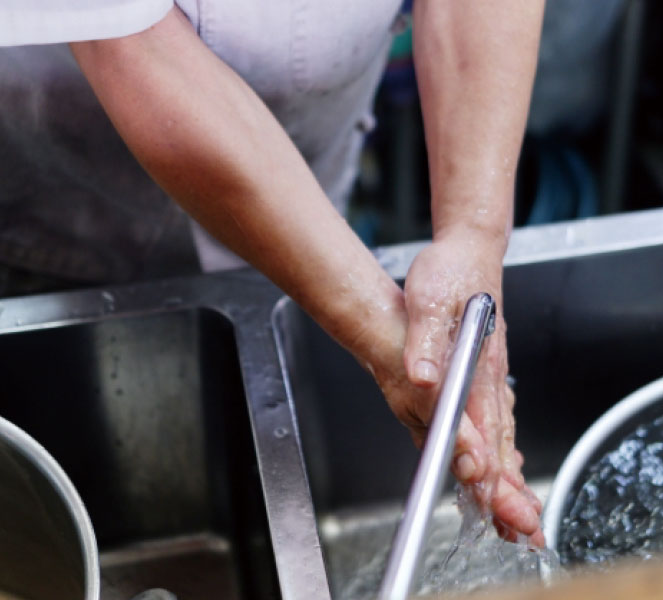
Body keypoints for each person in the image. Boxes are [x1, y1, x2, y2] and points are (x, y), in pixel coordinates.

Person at [0, 0, 546, 546]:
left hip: (310, 183)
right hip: (59, 205)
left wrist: (473, 232)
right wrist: (383, 333)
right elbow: (131, 45)